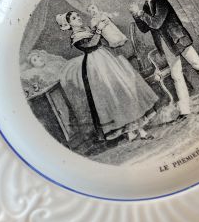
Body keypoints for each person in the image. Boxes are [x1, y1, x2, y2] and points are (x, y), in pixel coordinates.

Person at [56, 10, 156, 142]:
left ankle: (135, 131)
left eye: (78, 16)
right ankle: (136, 131)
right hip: (97, 65)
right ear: (69, 24)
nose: (78, 18)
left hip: (106, 58)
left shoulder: (87, 29)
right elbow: (91, 45)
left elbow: (101, 40)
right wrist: (98, 30)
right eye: (74, 18)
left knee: (124, 90)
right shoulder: (76, 37)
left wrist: (104, 27)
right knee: (115, 94)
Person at [130, 0, 199, 117]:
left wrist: (141, 14)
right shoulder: (145, 6)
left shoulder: (160, 1)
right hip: (166, 44)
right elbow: (144, 29)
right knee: (176, 76)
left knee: (198, 65)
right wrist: (136, 16)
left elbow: (156, 23)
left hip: (178, 39)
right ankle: (185, 111)